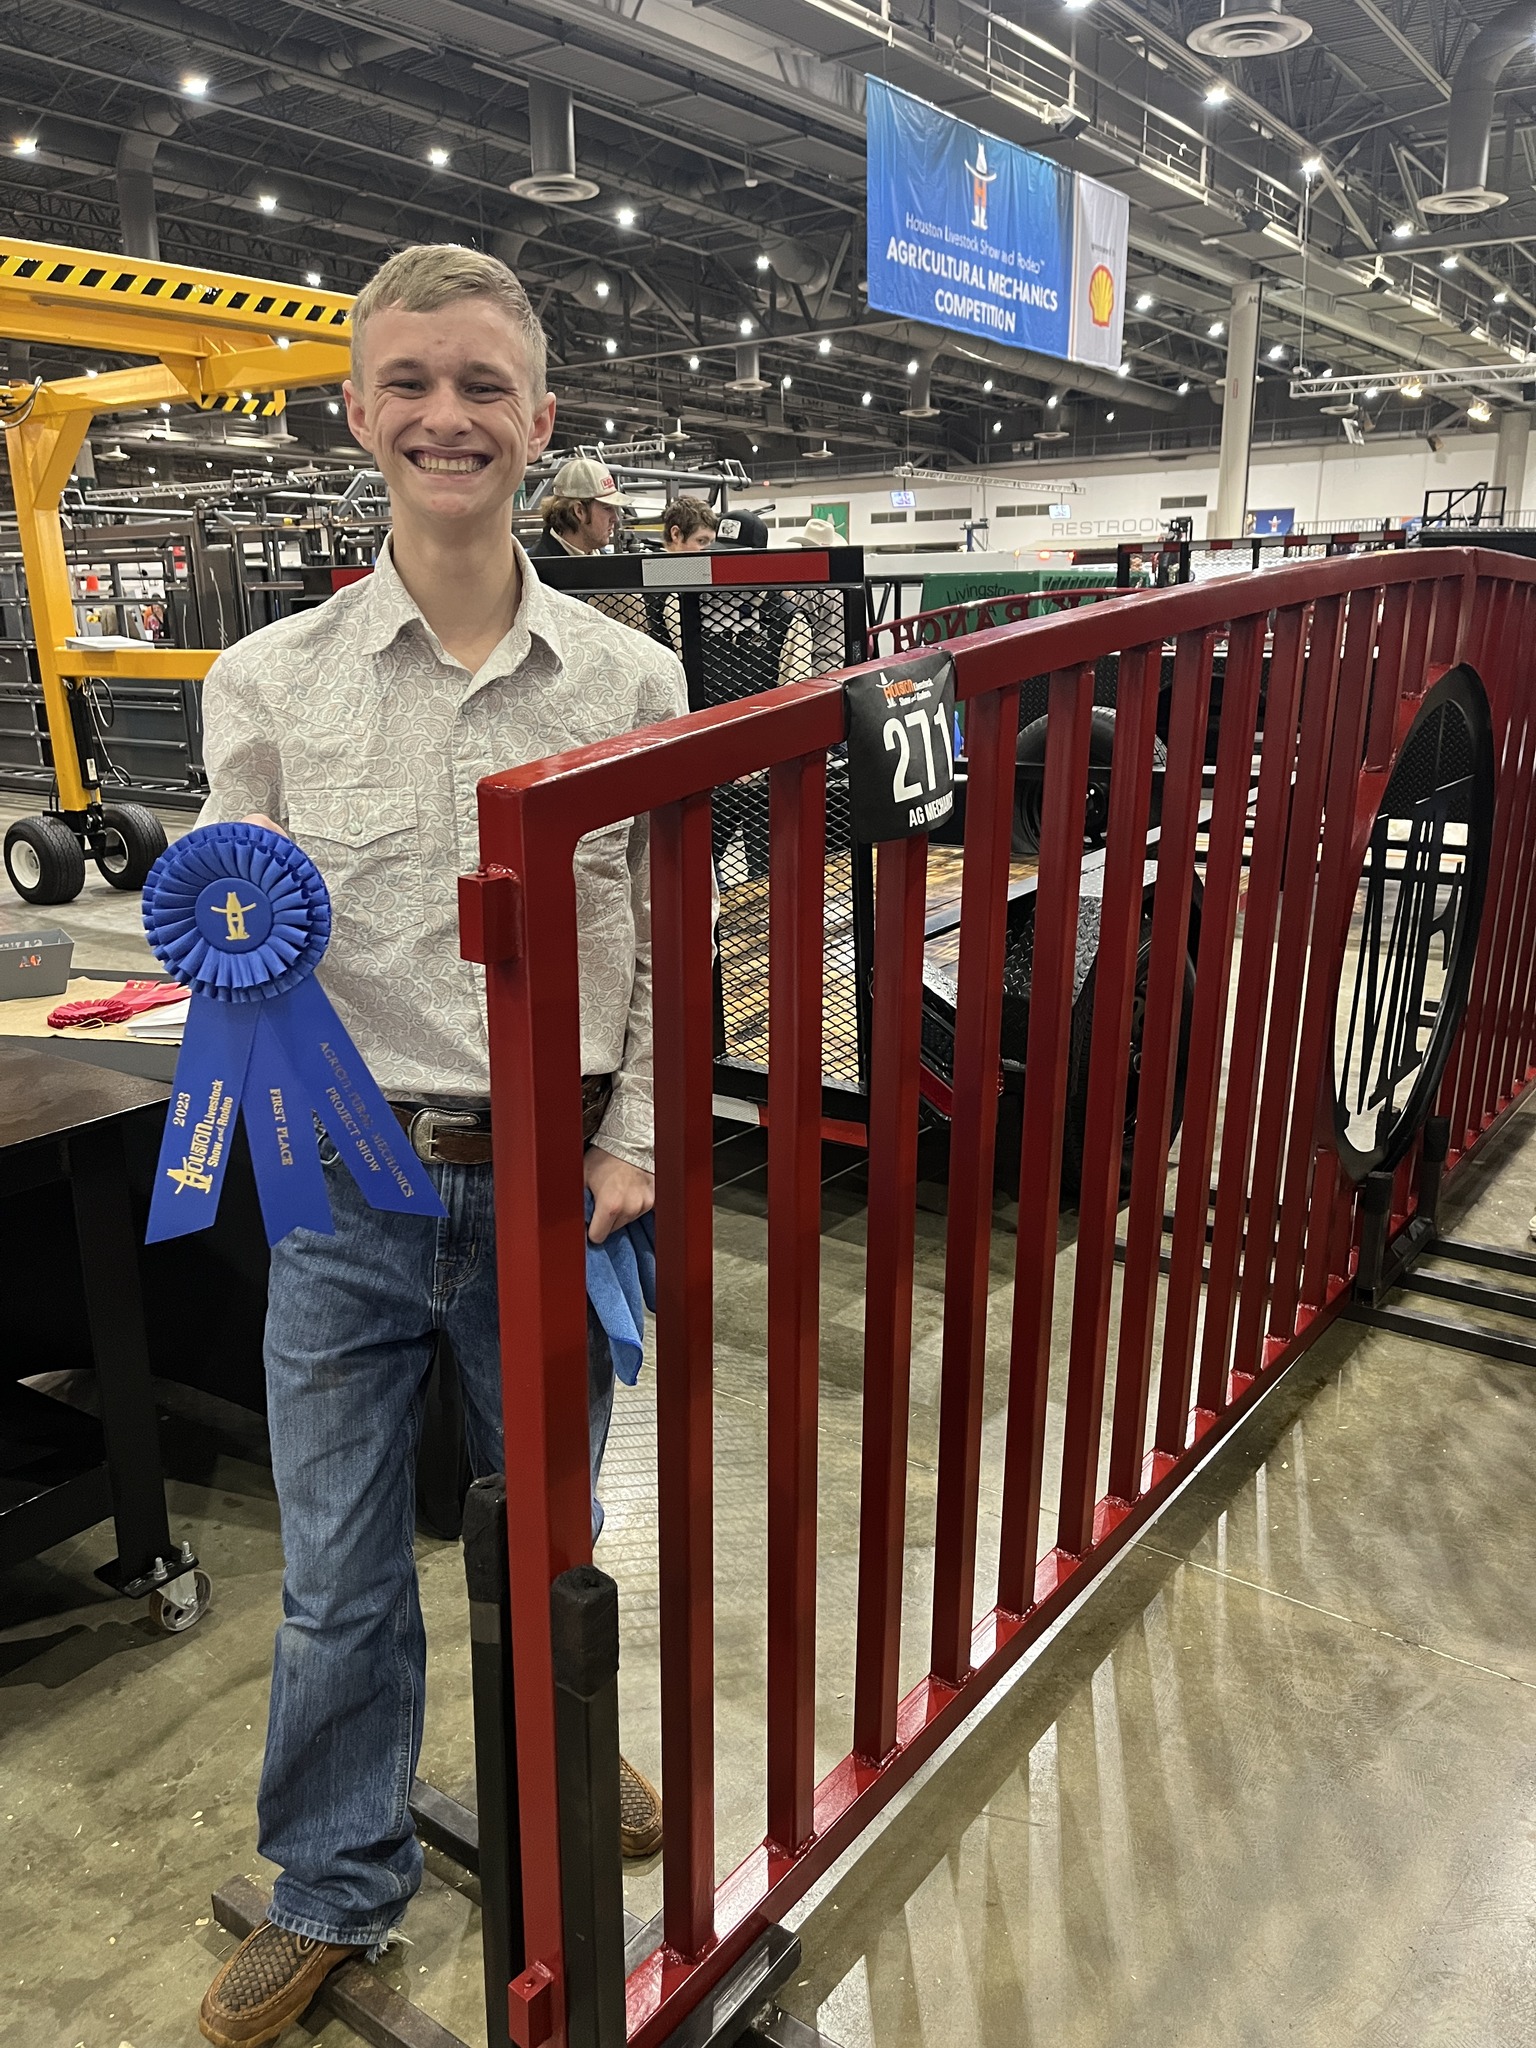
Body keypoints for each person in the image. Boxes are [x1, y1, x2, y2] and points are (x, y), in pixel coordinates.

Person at [195, 244, 682, 2048]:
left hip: (562, 1180)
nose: (446, 415)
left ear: (542, 424)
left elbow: (665, 926)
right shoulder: (266, 680)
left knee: (553, 1530)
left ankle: (559, 1771)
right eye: (410, 383)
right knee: (336, 1562)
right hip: (347, 1186)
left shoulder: (629, 678)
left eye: (483, 385)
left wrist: (635, 1136)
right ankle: (330, 1875)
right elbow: (231, 934)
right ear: (357, 414)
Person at [531, 453, 631, 555]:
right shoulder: (535, 568)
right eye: (607, 508)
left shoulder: (600, 557)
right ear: (579, 511)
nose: (615, 518)